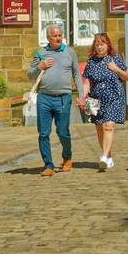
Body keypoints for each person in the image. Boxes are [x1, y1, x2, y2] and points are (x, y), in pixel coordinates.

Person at [27, 25, 87, 176]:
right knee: (43, 133)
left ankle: (67, 157)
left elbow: (76, 75)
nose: (58, 38)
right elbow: (30, 75)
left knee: (63, 132)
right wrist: (40, 66)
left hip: (63, 98)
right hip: (44, 98)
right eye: (54, 36)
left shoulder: (69, 52)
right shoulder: (41, 53)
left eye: (60, 35)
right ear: (48, 38)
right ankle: (48, 165)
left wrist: (81, 96)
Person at [81, 33, 128, 171]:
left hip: (114, 97)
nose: (100, 47)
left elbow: (127, 77)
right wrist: (82, 97)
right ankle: (109, 157)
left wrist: (116, 69)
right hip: (94, 99)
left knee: (108, 126)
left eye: (102, 44)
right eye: (97, 44)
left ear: (108, 45)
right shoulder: (91, 61)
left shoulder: (115, 58)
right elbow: (87, 82)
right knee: (99, 129)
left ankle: (104, 157)